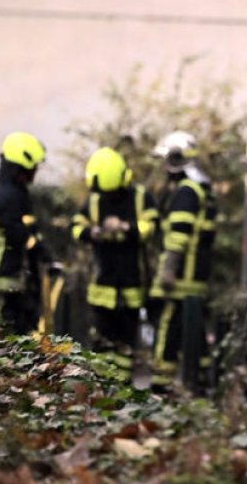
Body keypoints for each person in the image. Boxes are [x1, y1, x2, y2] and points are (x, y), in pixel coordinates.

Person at [72, 147, 158, 382]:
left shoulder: (141, 197)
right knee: (100, 343)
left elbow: (151, 227)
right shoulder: (94, 199)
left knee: (126, 344)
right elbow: (76, 227)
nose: (107, 198)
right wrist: (93, 232)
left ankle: (121, 387)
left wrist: (125, 227)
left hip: (132, 284)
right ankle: (101, 386)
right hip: (101, 285)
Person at [148, 130, 217, 392]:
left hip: (180, 278)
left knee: (168, 328)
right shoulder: (202, 189)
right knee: (193, 330)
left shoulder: (186, 192)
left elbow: (179, 236)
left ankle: (161, 386)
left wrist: (168, 269)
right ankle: (200, 380)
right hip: (196, 277)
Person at [0, 131, 52, 335]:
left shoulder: (17, 193)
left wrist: (42, 251)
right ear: (20, 167)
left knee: (24, 331)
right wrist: (39, 249)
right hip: (8, 277)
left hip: (19, 277)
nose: (35, 172)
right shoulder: (8, 196)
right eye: (32, 167)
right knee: (5, 332)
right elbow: (17, 234)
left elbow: (29, 230)